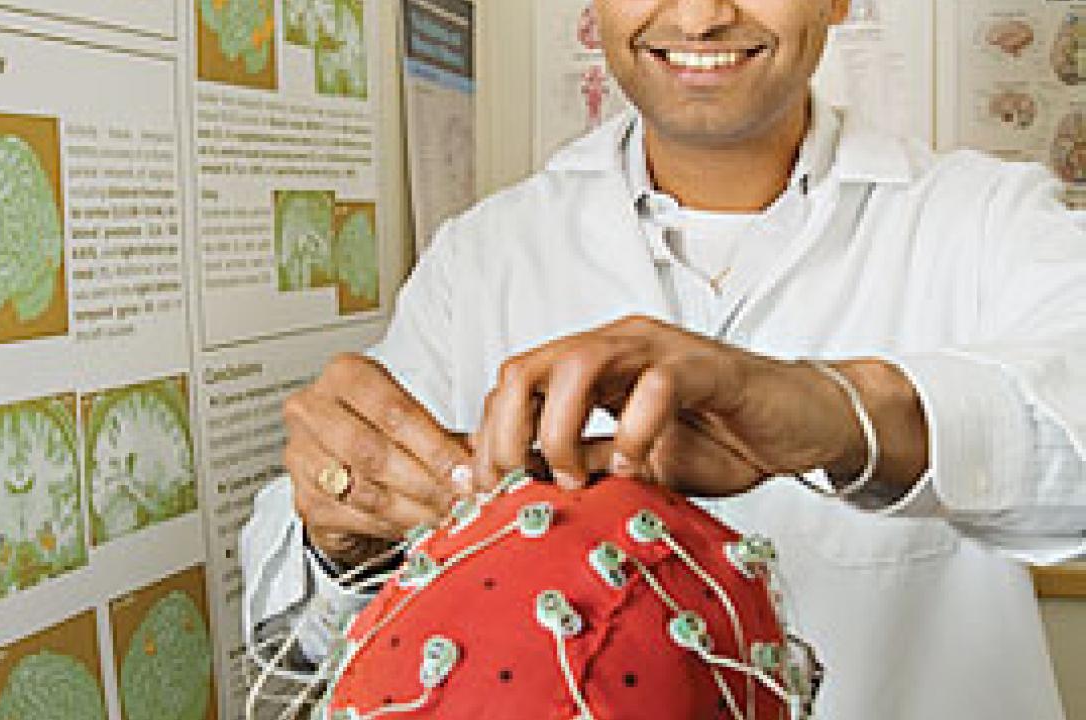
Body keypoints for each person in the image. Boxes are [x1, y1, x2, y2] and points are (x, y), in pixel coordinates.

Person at [241, 1, 1086, 717]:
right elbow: (298, 639)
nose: (699, 15)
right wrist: (342, 537)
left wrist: (840, 414)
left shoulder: (988, 221)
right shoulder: (485, 256)